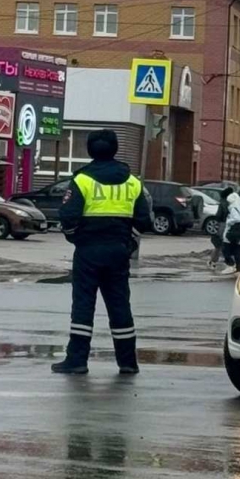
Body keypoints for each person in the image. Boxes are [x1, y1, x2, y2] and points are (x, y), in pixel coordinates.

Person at [53, 129, 153, 375]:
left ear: (90, 150)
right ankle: (128, 362)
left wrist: (76, 238)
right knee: (120, 305)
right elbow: (144, 219)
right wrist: (128, 241)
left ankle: (77, 360)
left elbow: (68, 216)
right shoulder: (132, 182)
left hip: (88, 251)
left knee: (83, 305)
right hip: (118, 251)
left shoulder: (82, 180)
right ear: (115, 148)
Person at [221, 189, 240, 275]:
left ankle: (231, 266)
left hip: (231, 233)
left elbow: (237, 219)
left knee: (227, 250)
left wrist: (229, 221)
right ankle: (239, 268)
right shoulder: (239, 208)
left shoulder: (233, 209)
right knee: (237, 250)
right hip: (238, 234)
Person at [209, 188, 231, 269]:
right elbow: (220, 214)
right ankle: (215, 261)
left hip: (222, 224)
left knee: (219, 245)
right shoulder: (226, 203)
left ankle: (213, 261)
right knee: (221, 245)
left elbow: (218, 215)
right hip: (224, 224)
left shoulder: (223, 202)